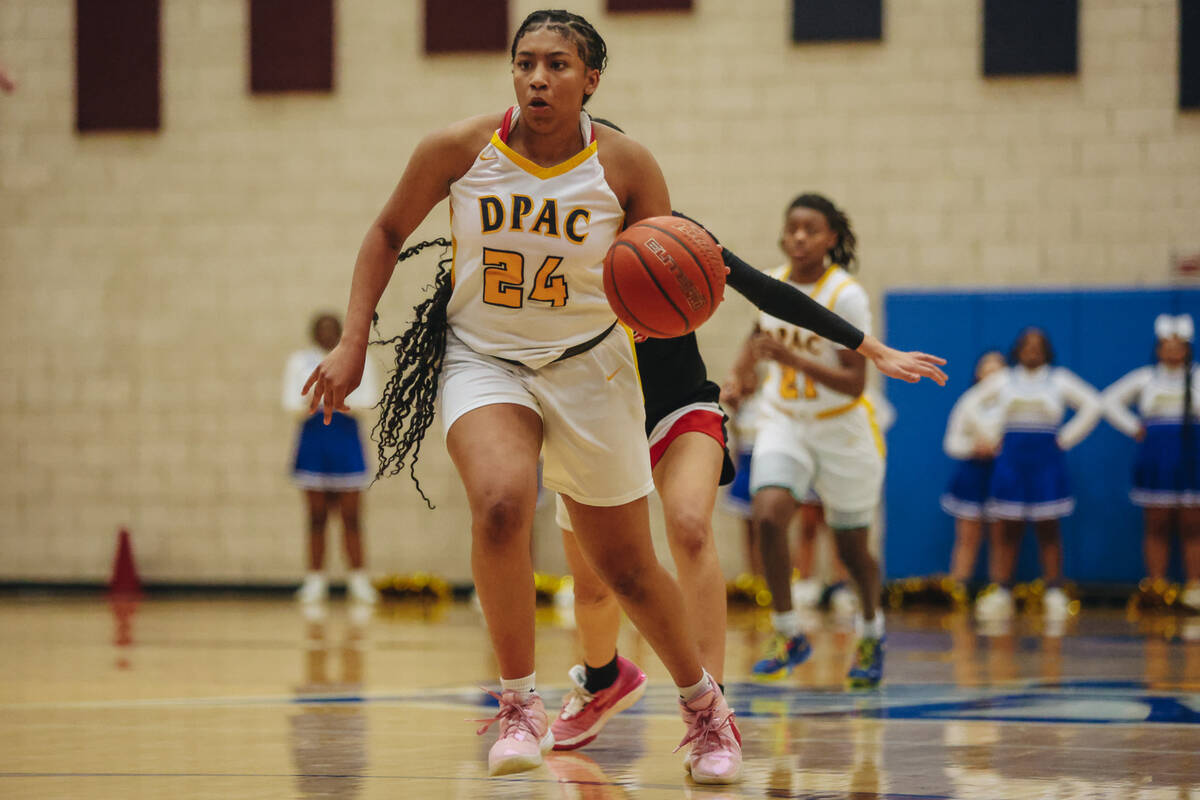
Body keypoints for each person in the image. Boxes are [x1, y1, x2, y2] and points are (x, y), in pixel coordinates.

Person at [302, 10, 747, 782]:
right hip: (484, 357)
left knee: (627, 568)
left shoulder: (628, 167)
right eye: (526, 63)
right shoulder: (461, 150)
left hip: (591, 367)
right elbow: (384, 233)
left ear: (591, 80)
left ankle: (707, 712)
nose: (538, 78)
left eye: (558, 65)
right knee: (502, 504)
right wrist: (350, 340)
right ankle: (519, 705)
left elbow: (670, 281)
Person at [550, 197, 947, 750]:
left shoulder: (667, 229)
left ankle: (711, 713)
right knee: (594, 587)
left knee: (691, 525)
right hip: (594, 417)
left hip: (680, 405)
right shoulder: (547, 238)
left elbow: (765, 290)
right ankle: (601, 677)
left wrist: (870, 347)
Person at [726, 193, 891, 689]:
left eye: (811, 229)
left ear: (830, 239)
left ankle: (871, 630)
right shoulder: (773, 285)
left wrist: (791, 361)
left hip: (841, 425)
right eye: (792, 227)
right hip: (784, 420)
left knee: (852, 546)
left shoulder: (846, 294)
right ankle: (788, 631)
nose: (799, 236)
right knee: (769, 514)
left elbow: (854, 382)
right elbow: (757, 337)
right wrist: (740, 377)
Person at [966, 328, 1103, 622]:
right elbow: (970, 404)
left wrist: (1065, 438)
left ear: (1047, 350)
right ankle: (1002, 590)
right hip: (1012, 459)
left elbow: (1094, 404)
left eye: (1038, 345)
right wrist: (989, 435)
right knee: (1007, 527)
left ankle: (1054, 590)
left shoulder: (1059, 379)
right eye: (1026, 345)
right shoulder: (1004, 380)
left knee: (1048, 527)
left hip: (1046, 460)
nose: (1032, 350)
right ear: (1017, 349)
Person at [1103, 314, 1200, 612]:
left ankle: (1195, 586)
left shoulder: (1196, 376)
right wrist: (1134, 427)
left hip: (1192, 456)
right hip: (1156, 458)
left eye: (1178, 345)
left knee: (1192, 523)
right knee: (1156, 522)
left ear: (1187, 348)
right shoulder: (1146, 378)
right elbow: (1108, 401)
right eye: (1166, 345)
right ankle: (1156, 585)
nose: (1172, 350)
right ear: (1158, 348)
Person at [282, 313, 380, 605]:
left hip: (347, 440)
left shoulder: (360, 360)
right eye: (321, 328)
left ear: (340, 332)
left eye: (332, 329)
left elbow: (369, 399)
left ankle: (359, 580)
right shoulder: (299, 362)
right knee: (316, 516)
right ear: (313, 333)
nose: (326, 333)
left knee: (351, 516)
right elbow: (290, 402)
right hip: (313, 439)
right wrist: (316, 400)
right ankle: (315, 580)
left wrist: (336, 399)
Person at [940, 350, 1008, 597]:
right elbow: (951, 443)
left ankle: (999, 592)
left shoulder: (1013, 402)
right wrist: (973, 448)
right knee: (967, 538)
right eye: (986, 370)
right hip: (972, 474)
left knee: (1001, 538)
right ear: (978, 374)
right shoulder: (967, 402)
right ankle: (957, 591)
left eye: (998, 370)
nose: (992, 376)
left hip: (1003, 474)